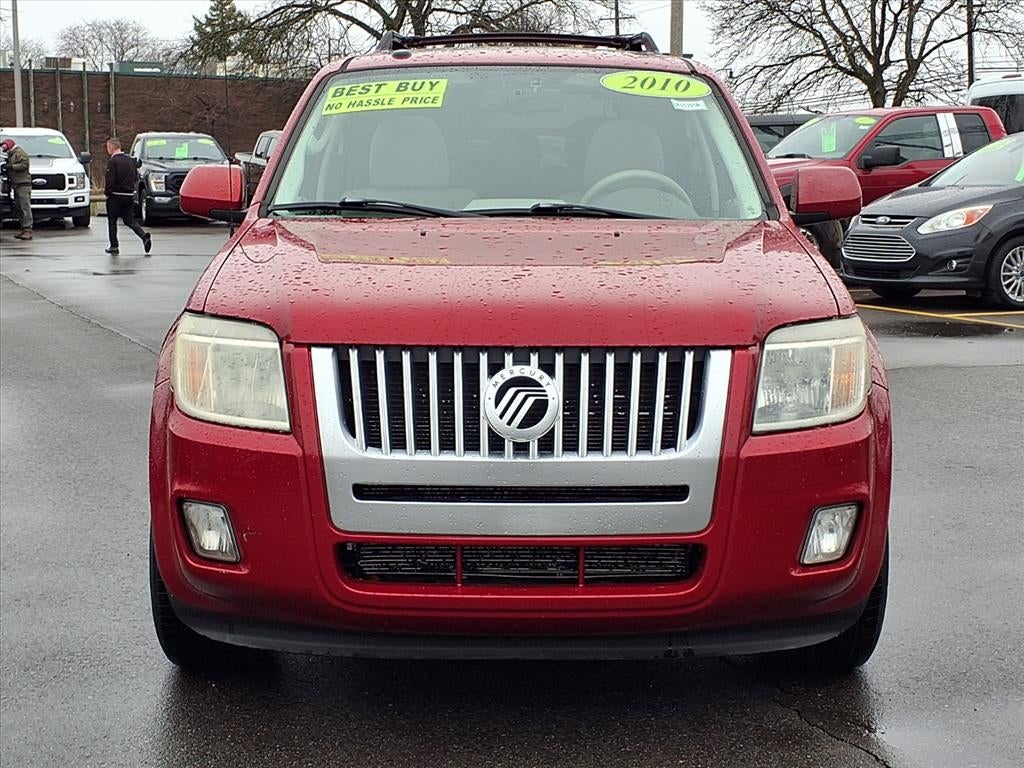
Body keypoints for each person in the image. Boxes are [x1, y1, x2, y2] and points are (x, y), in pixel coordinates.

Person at [104, 137, 151, 256]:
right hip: (129, 195)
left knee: (112, 221)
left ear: (111, 147)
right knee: (130, 220)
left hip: (115, 196)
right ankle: (143, 236)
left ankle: (114, 245)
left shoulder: (113, 162)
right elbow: (135, 177)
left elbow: (110, 180)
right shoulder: (130, 161)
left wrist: (107, 192)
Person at [1, 137, 33, 240]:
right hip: (16, 184)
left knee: (25, 207)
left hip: (23, 184)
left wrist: (11, 167)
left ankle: (28, 230)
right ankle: (23, 229)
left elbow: (24, 164)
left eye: (4, 145)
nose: (2, 148)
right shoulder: (11, 154)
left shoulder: (19, 152)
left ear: (9, 145)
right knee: (19, 207)